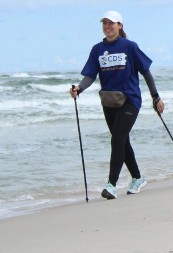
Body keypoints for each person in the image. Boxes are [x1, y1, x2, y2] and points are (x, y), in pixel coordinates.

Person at [69, 11, 164, 200]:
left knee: (117, 139)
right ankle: (137, 178)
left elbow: (146, 72)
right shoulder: (97, 49)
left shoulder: (129, 46)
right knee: (122, 140)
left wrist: (156, 97)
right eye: (104, 23)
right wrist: (79, 88)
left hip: (130, 100)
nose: (107, 26)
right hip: (109, 101)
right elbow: (90, 75)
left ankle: (111, 185)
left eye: (111, 23)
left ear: (120, 25)